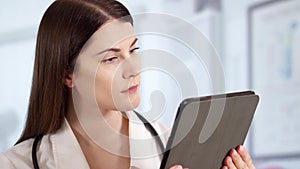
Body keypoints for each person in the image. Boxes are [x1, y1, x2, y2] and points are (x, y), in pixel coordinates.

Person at [0, 0, 256, 169]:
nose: (133, 69)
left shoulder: (174, 145)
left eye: (133, 50)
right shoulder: (15, 164)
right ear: (68, 75)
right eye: (111, 58)